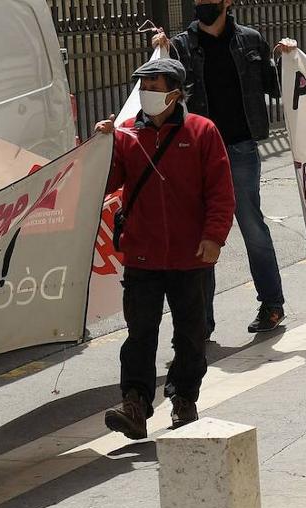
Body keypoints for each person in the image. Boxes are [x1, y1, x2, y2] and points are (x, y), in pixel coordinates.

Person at [95, 59, 235, 439]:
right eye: (143, 86)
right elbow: (104, 184)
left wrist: (214, 236)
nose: (147, 93)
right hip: (142, 255)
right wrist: (100, 147)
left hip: (191, 258)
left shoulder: (202, 132)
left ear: (174, 92)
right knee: (140, 333)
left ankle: (184, 398)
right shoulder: (126, 136)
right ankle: (135, 404)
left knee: (190, 335)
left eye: (154, 86)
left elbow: (221, 191)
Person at [152, 2, 298, 335]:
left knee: (251, 225)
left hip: (240, 147)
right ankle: (200, 323)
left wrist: (287, 57)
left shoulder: (250, 40)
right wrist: (160, 57)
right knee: (200, 234)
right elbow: (162, 94)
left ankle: (272, 305)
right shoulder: (178, 46)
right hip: (195, 152)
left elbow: (276, 86)